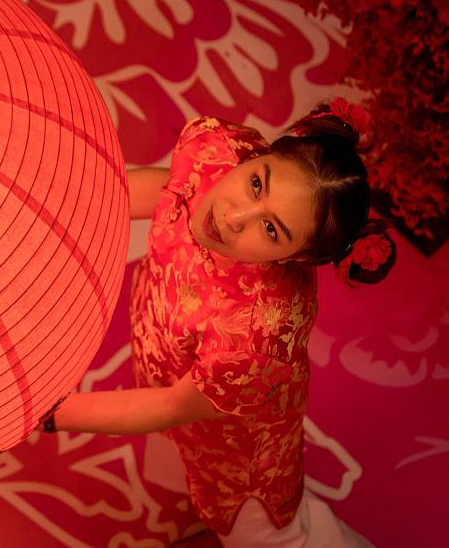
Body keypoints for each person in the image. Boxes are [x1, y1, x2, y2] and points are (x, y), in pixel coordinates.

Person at [43, 99, 396, 547]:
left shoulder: (255, 337)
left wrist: (49, 413)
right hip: (172, 366)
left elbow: (173, 406)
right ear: (258, 157)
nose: (232, 217)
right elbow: (173, 190)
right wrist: (66, 205)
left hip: (238, 446)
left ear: (296, 259)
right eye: (255, 184)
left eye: (271, 230)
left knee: (268, 537)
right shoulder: (221, 153)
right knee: (178, 462)